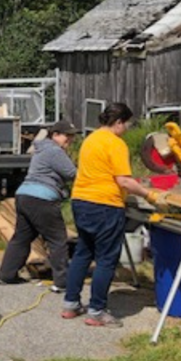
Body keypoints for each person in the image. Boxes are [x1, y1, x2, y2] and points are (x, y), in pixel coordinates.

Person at [63, 103, 162, 327]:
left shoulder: (90, 139)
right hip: (104, 204)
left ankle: (70, 304)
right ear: (118, 122)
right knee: (107, 258)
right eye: (126, 124)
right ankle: (97, 311)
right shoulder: (116, 144)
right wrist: (149, 195)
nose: (127, 128)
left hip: (81, 200)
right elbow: (124, 180)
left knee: (83, 252)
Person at [0, 120, 80, 290]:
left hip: (24, 195)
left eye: (72, 136)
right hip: (42, 199)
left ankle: (7, 275)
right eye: (67, 136)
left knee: (22, 237)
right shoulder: (54, 151)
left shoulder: (42, 149)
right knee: (57, 239)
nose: (70, 140)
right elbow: (73, 173)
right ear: (55, 135)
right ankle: (62, 282)